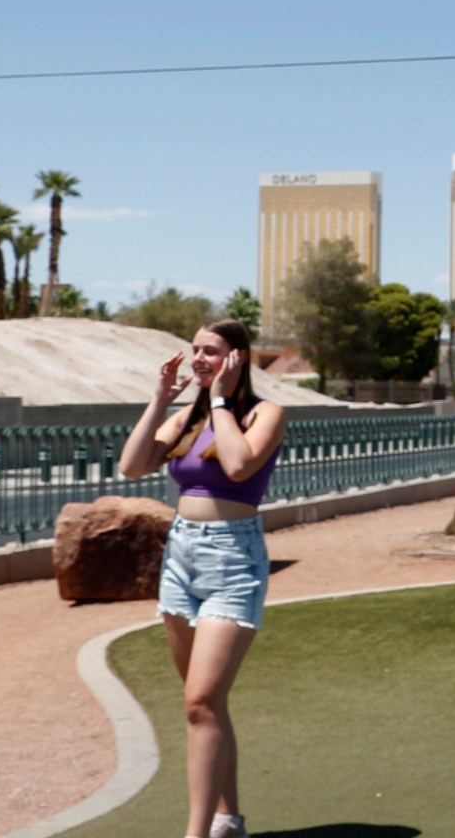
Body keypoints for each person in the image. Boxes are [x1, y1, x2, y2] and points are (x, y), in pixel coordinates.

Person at [117, 319, 285, 838]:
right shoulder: (187, 417)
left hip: (234, 561)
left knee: (200, 701)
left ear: (237, 357)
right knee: (204, 704)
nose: (198, 359)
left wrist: (218, 401)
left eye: (210, 351)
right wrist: (161, 399)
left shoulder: (266, 413)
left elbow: (237, 465)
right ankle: (228, 820)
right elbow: (132, 465)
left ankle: (197, 833)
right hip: (181, 557)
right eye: (195, 351)